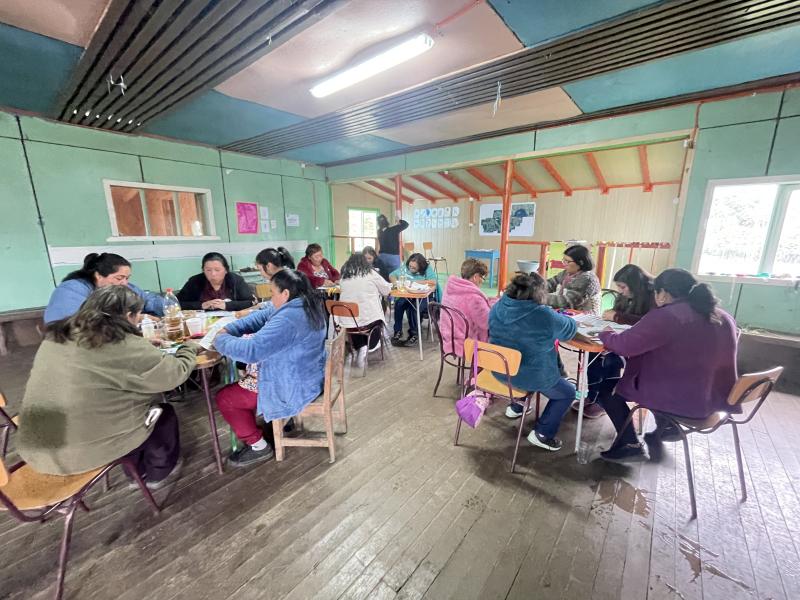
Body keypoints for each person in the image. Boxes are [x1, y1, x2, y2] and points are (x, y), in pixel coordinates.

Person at [18, 286, 198, 488]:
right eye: (138, 315)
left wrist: (142, 346)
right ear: (128, 315)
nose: (139, 320)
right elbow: (173, 375)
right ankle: (156, 472)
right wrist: (188, 348)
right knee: (162, 413)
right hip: (79, 454)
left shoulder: (58, 335)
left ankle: (136, 470)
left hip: (34, 446)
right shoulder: (123, 344)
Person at [596, 268, 738, 463]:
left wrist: (605, 334)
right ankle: (667, 427)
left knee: (607, 389)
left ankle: (629, 444)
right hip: (715, 397)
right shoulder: (722, 315)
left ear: (663, 293)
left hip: (682, 399)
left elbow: (624, 346)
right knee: (657, 377)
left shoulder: (668, 316)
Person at [213, 270, 327, 467]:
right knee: (243, 378)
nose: (270, 297)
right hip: (308, 377)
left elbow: (253, 351)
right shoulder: (307, 304)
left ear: (285, 294)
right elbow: (265, 314)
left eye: (273, 293)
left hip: (291, 386)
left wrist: (220, 339)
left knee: (227, 398)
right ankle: (277, 422)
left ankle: (258, 446)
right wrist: (232, 329)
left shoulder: (289, 319)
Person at [489, 273, 589, 451]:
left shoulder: (498, 306)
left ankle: (517, 406)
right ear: (538, 293)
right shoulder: (542, 314)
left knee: (525, 356)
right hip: (528, 374)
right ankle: (543, 433)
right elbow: (569, 329)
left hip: (500, 370)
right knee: (568, 392)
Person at [577, 264, 658, 420]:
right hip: (622, 337)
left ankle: (602, 402)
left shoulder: (652, 296)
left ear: (635, 285)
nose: (620, 291)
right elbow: (619, 317)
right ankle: (593, 396)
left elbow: (649, 323)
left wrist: (617, 317)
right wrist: (611, 317)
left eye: (623, 287)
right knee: (594, 359)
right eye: (618, 287)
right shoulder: (626, 295)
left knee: (610, 360)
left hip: (639, 346)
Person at [44, 252, 164, 323]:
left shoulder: (124, 287)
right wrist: (133, 318)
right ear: (98, 275)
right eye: (119, 278)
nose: (124, 283)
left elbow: (147, 299)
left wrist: (169, 308)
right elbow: (72, 322)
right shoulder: (71, 290)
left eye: (127, 278)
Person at [336, 252, 392, 376]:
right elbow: (386, 290)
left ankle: (360, 347)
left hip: (347, 322)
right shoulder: (371, 274)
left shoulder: (344, 276)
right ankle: (366, 347)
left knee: (355, 322)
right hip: (368, 321)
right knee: (376, 321)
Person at [439, 258, 498, 358]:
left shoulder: (451, 287)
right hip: (465, 343)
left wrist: (489, 302)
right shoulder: (474, 298)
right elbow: (487, 323)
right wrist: (496, 304)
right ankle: (479, 371)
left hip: (448, 337)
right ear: (475, 277)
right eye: (482, 278)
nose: (482, 282)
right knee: (499, 339)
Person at [389, 253, 440, 347]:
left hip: (424, 296)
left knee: (415, 308)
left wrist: (413, 282)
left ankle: (414, 334)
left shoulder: (427, 269)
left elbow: (433, 282)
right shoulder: (406, 267)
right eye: (410, 266)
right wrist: (396, 283)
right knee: (399, 304)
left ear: (420, 267)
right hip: (409, 294)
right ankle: (398, 331)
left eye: (413, 268)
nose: (411, 269)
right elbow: (392, 275)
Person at [176, 252, 255, 311]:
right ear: (203, 270)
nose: (213, 274)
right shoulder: (195, 281)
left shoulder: (236, 280)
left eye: (217, 270)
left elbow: (251, 302)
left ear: (226, 270)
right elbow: (177, 304)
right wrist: (201, 305)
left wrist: (226, 305)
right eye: (208, 270)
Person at [545, 244, 602, 316]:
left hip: (585, 319)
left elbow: (567, 302)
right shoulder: (566, 273)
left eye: (568, 262)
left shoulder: (587, 278)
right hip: (569, 314)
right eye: (564, 260)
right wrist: (534, 287)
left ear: (581, 262)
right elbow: (550, 284)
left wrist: (540, 296)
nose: (564, 264)